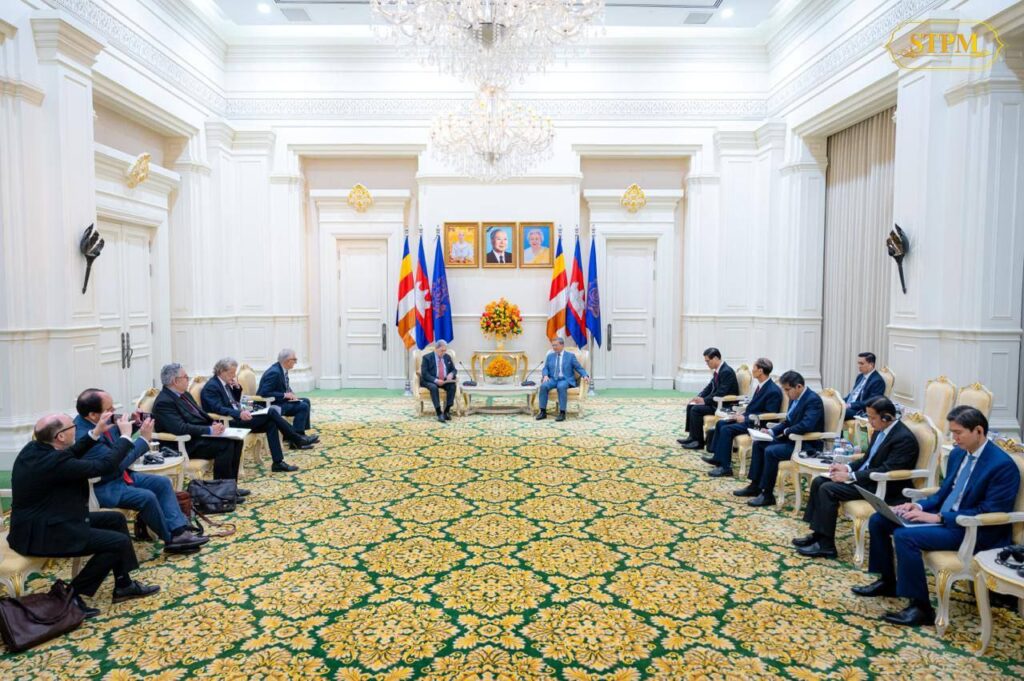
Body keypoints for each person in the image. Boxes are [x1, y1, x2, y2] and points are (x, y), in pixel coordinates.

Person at [854, 406, 1020, 626]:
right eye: (952, 432)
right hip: (947, 519)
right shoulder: (959, 454)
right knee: (879, 520)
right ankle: (887, 582)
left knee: (905, 537)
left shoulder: (1002, 466)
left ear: (979, 431)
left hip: (972, 530)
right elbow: (943, 493)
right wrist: (917, 507)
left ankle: (921, 608)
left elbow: (990, 511)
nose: (954, 438)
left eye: (958, 433)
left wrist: (939, 518)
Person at [8, 412, 160, 618]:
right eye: (73, 427)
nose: (76, 429)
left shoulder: (35, 448)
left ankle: (124, 584)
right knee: (117, 543)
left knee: (115, 519)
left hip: (47, 520)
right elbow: (104, 467)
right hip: (42, 533)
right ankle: (71, 595)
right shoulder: (55, 462)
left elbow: (70, 453)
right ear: (60, 436)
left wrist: (95, 433)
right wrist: (126, 437)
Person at [74, 389, 208, 553]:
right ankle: (170, 539)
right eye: (109, 409)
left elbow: (114, 436)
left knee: (162, 483)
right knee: (147, 497)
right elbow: (117, 463)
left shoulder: (97, 421)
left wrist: (136, 424)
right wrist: (143, 439)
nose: (113, 411)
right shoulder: (84, 436)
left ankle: (179, 530)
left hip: (120, 477)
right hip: (103, 487)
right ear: (93, 415)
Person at [793, 397, 917, 558]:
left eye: (872, 418)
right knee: (818, 481)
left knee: (828, 489)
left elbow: (886, 470)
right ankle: (818, 535)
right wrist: (847, 467)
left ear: (886, 417)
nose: (869, 422)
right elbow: (868, 459)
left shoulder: (903, 438)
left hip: (883, 486)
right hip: (867, 479)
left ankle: (826, 546)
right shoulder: (880, 430)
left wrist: (850, 476)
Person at [202, 357, 318, 472]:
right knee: (271, 411)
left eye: (234, 373)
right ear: (221, 371)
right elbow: (218, 408)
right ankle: (296, 438)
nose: (233, 376)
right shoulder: (212, 386)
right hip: (228, 422)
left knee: (271, 423)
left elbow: (234, 401)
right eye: (231, 373)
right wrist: (239, 413)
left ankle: (278, 463)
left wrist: (237, 388)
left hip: (238, 416)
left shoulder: (225, 382)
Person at [733, 370, 824, 507]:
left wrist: (786, 431)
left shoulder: (813, 400)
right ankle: (755, 485)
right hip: (791, 439)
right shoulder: (795, 398)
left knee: (771, 451)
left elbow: (807, 425)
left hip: (806, 444)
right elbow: (788, 421)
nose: (786, 393)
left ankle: (767, 494)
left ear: (799, 386)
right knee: (759, 443)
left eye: (787, 390)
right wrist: (770, 431)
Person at [153, 363, 247, 491]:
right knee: (225, 445)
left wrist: (213, 424)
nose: (188, 379)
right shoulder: (164, 402)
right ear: (175, 381)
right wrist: (209, 430)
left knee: (236, 440)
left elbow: (200, 414)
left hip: (197, 437)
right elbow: (180, 428)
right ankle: (222, 491)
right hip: (182, 444)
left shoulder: (184, 394)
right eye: (185, 377)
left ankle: (231, 488)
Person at [704, 358, 782, 478]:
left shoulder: (773, 391)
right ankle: (718, 458)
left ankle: (725, 468)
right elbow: (753, 408)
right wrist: (740, 416)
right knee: (721, 423)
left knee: (726, 429)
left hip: (758, 425)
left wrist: (745, 419)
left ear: (760, 370)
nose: (752, 370)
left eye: (754, 367)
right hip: (749, 419)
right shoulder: (762, 386)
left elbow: (769, 415)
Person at [679, 348, 739, 451]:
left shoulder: (726, 372)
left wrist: (704, 400)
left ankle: (698, 442)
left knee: (696, 410)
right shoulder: (719, 370)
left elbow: (721, 393)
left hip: (724, 405)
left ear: (715, 358)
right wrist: (699, 397)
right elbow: (709, 387)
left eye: (708, 361)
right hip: (715, 401)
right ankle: (692, 437)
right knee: (691, 405)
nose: (707, 364)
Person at [258, 348, 315, 437]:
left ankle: (302, 432)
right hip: (273, 404)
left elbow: (284, 386)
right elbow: (264, 393)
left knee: (306, 401)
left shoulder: (282, 369)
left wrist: (291, 394)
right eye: (294, 359)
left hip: (279, 400)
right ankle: (297, 437)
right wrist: (284, 395)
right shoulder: (274, 372)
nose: (296, 362)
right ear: (287, 361)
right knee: (303, 406)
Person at [535, 337, 588, 422]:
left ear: (562, 345)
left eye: (556, 345)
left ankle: (562, 412)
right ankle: (543, 411)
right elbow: (546, 368)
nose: (554, 347)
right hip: (553, 379)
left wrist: (585, 375)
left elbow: (579, 368)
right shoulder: (550, 356)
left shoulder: (570, 356)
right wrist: (545, 375)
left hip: (565, 379)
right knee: (544, 386)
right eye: (553, 345)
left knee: (561, 386)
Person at [420, 340, 457, 423]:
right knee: (433, 387)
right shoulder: (426, 358)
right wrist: (436, 380)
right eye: (442, 351)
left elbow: (454, 370)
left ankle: (447, 411)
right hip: (430, 380)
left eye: (445, 350)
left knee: (452, 386)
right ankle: (439, 412)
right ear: (436, 349)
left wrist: (451, 374)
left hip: (443, 380)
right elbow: (424, 374)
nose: (443, 353)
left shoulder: (447, 357)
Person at [844, 352, 885, 420]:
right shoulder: (860, 376)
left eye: (862, 363)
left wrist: (850, 405)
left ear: (871, 365)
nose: (859, 366)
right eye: (858, 363)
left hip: (861, 411)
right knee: (831, 406)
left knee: (838, 412)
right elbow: (853, 394)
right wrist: (841, 401)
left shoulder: (878, 381)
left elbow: (871, 402)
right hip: (851, 406)